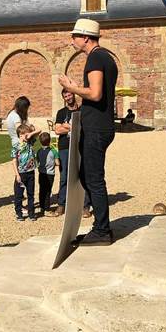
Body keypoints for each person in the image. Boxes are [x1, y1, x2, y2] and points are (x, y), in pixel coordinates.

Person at [59, 18, 118, 243]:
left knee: (94, 179)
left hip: (96, 129)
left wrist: (71, 87)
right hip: (99, 126)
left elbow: (95, 94)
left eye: (74, 36)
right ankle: (100, 226)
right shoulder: (106, 57)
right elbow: (96, 97)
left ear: (85, 37)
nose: (72, 40)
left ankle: (102, 231)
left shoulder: (95, 58)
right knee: (87, 176)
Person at [54, 88, 92, 217]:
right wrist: (73, 127)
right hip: (65, 146)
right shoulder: (61, 112)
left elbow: (85, 128)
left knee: (83, 175)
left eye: (70, 95)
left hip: (81, 146)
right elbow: (57, 130)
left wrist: (66, 126)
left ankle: (85, 206)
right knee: (64, 176)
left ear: (74, 95)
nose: (68, 97)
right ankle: (61, 204)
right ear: (63, 98)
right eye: (66, 96)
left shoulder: (82, 110)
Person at [11, 123, 39, 222]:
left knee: (31, 194)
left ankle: (31, 213)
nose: (28, 135)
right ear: (21, 134)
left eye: (28, 133)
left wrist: (31, 134)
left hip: (31, 172)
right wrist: (17, 174)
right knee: (18, 195)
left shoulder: (30, 143)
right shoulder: (16, 146)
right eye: (25, 134)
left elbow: (39, 130)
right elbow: (14, 161)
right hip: (21, 173)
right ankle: (19, 214)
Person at [35, 132, 59, 216]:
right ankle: (47, 209)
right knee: (48, 191)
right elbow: (57, 163)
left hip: (41, 173)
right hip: (49, 174)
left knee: (42, 190)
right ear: (49, 141)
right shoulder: (53, 151)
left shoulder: (38, 151)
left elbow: (38, 161)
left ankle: (42, 206)